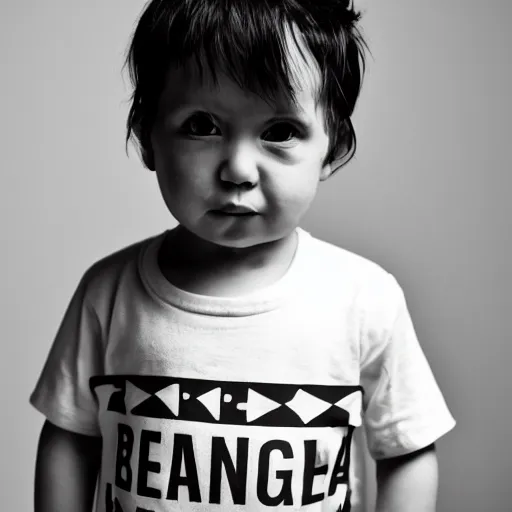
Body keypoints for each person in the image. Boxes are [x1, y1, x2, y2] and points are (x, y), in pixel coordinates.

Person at [30, 1, 456, 511]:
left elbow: (407, 450)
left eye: (279, 132)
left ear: (334, 146)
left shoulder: (363, 299)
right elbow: (70, 437)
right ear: (147, 136)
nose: (238, 169)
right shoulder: (110, 291)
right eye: (202, 125)